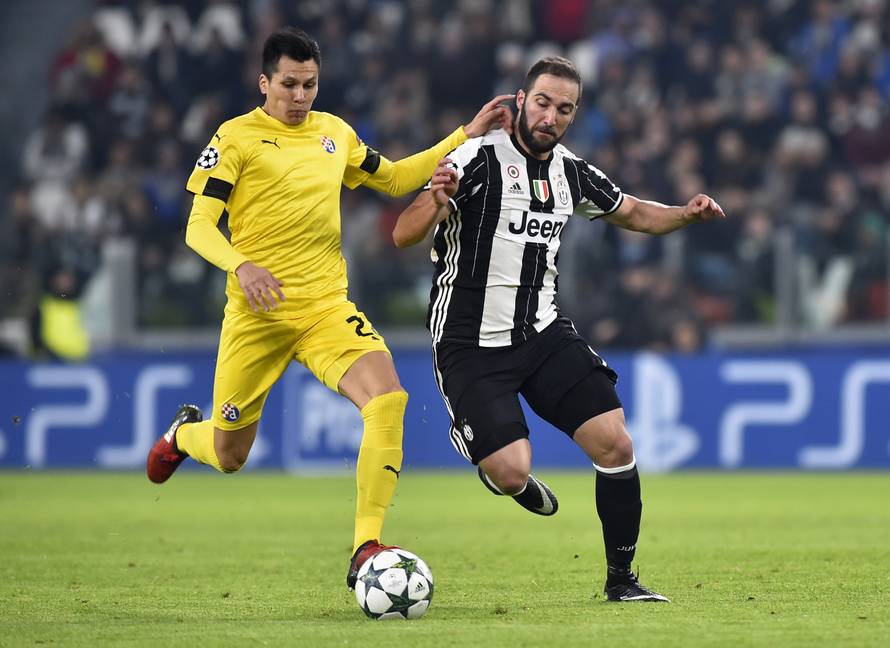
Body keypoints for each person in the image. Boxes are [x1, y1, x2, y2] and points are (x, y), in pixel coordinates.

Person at [145, 27, 512, 590]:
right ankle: (182, 437)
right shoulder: (236, 137)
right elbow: (198, 226)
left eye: (309, 84)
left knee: (388, 399)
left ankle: (366, 545)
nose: (299, 96)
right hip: (256, 316)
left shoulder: (334, 134)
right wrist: (242, 265)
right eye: (288, 84)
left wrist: (466, 134)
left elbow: (393, 179)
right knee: (228, 453)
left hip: (324, 308)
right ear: (264, 82)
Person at [393, 56, 725, 603]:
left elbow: (635, 213)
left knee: (615, 442)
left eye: (564, 109)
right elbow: (403, 235)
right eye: (543, 102)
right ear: (521, 101)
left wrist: (685, 213)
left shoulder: (572, 172)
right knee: (510, 469)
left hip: (542, 332)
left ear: (572, 117)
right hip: (468, 344)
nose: (551, 116)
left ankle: (622, 581)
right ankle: (503, 473)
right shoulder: (473, 159)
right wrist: (434, 199)